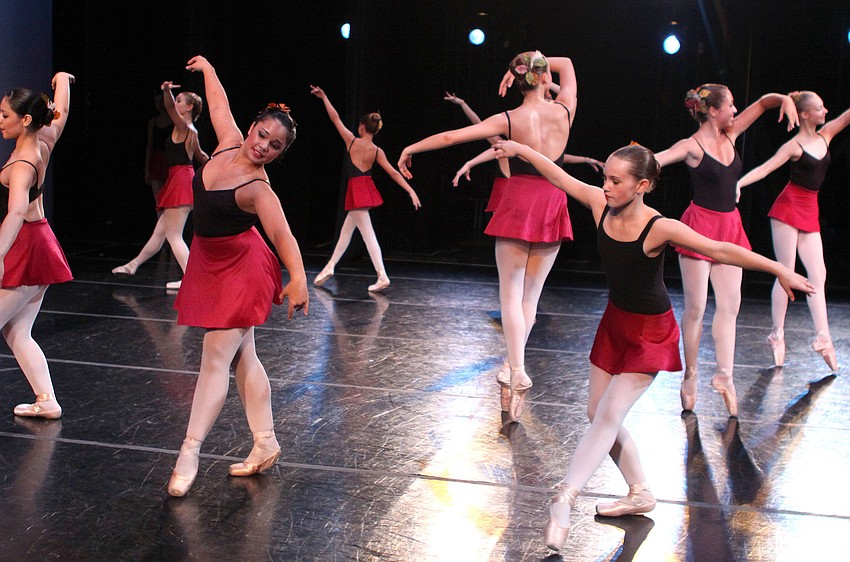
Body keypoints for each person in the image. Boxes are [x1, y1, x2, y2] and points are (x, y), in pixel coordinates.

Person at [491, 139, 813, 553]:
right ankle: (639, 492)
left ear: (642, 185)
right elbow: (555, 173)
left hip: (652, 332)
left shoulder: (658, 226)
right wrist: (517, 145)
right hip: (615, 323)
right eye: (605, 177)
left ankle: (564, 497)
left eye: (615, 180)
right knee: (596, 412)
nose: (605, 186)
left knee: (607, 416)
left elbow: (718, 249)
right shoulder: (597, 204)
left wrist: (779, 268)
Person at [399, 51, 577, 423]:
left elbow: (452, 137)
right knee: (530, 298)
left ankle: (516, 370)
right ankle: (514, 366)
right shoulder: (564, 110)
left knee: (510, 294)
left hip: (518, 200)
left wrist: (410, 148)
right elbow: (567, 64)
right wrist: (527, 63)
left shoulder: (509, 118)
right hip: (552, 200)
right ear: (546, 78)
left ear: (521, 79)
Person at [166, 55, 309, 497]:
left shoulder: (258, 189)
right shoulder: (228, 142)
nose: (263, 146)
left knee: (215, 358)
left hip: (243, 268)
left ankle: (189, 451)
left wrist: (299, 277)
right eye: (262, 134)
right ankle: (265, 441)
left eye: (274, 146)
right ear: (251, 129)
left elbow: (282, 234)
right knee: (244, 355)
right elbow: (219, 104)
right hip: (210, 262)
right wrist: (210, 71)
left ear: (279, 155)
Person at [654, 84, 798, 416]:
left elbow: (764, 102)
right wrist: (629, 162)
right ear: (713, 110)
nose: (735, 110)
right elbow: (658, 159)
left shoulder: (731, 132)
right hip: (699, 228)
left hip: (730, 226)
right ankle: (690, 376)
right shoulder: (691, 146)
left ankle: (725, 375)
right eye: (730, 105)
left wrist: (785, 101)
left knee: (731, 304)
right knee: (696, 309)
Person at [737, 91, 849, 371]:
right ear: (806, 115)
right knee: (786, 271)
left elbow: (846, 117)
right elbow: (765, 169)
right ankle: (777, 333)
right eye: (820, 108)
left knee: (818, 273)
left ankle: (823, 336)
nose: (826, 112)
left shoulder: (827, 135)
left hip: (810, 209)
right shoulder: (794, 145)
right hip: (788, 208)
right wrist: (739, 184)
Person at [0, 73, 75, 419]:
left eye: (5, 116)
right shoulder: (44, 139)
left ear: (25, 119)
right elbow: (60, 111)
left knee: (13, 328)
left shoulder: (21, 165)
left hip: (27, 247)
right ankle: (46, 400)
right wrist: (62, 81)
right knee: (17, 330)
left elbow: (16, 211)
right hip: (39, 242)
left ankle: (47, 399)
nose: (0, 121)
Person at [310, 86, 421, 292]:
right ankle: (330, 266)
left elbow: (335, 118)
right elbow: (394, 173)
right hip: (363, 189)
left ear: (362, 127)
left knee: (368, 235)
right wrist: (410, 190)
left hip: (358, 191)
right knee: (347, 230)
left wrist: (324, 96)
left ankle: (382, 275)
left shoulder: (351, 141)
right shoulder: (377, 151)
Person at [112, 82, 208, 289]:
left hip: (181, 179)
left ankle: (192, 279)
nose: (176, 103)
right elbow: (201, 156)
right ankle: (133, 265)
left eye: (181, 100)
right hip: (181, 177)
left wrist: (166, 91)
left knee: (173, 236)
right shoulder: (192, 131)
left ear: (189, 107)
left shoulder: (184, 126)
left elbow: (170, 108)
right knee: (160, 232)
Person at [144, 92, 172, 205]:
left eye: (161, 101)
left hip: (170, 160)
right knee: (158, 200)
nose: (159, 105)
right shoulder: (153, 122)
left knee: (170, 198)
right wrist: (146, 170)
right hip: (156, 161)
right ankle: (161, 222)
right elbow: (150, 145)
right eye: (156, 102)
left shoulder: (174, 121)